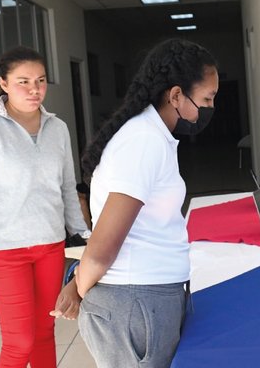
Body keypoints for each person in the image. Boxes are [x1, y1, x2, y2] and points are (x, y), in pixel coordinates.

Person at [74, 39, 218, 367]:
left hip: (148, 296)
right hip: (134, 301)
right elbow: (101, 249)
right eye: (207, 99)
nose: (210, 108)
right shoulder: (142, 141)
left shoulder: (155, 136)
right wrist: (82, 292)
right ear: (176, 95)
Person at [0, 46, 89, 368]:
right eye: (23, 82)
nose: (34, 90)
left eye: (41, 81)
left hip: (49, 245)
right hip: (5, 252)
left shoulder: (57, 128)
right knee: (20, 341)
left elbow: (66, 189)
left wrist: (84, 237)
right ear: (3, 84)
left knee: (45, 331)